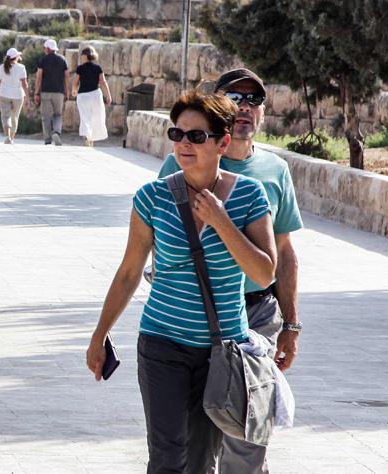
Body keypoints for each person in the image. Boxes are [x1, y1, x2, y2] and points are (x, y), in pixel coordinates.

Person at [86, 91, 276, 473]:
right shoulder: (152, 197)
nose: (184, 144)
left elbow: (264, 272)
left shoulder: (250, 196)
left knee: (202, 460)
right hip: (162, 344)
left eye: (196, 136)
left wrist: (222, 222)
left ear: (223, 142)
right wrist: (99, 334)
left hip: (221, 352)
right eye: (178, 134)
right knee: (167, 457)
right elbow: (128, 272)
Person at [157, 69, 304, 473]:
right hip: (196, 320)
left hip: (255, 317)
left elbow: (286, 255)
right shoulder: (179, 165)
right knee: (192, 441)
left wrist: (291, 324)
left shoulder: (275, 172)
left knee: (246, 435)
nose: (244, 107)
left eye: (254, 100)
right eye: (234, 98)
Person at [33, 38, 71, 146]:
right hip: (59, 92)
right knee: (58, 114)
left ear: (48, 49)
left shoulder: (43, 60)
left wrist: (36, 92)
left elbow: (39, 76)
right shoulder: (63, 59)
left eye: (45, 48)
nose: (45, 50)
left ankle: (47, 139)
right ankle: (57, 132)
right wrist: (67, 92)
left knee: (46, 116)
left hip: (45, 91)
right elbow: (67, 76)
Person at [73, 46, 111, 146]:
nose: (81, 56)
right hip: (95, 95)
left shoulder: (80, 68)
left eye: (82, 54)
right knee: (96, 117)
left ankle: (87, 135)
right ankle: (91, 138)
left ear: (85, 56)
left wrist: (74, 90)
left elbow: (76, 82)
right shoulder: (98, 68)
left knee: (85, 117)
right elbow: (103, 82)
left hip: (83, 96)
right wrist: (108, 95)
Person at [0, 47, 29, 144]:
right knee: (15, 116)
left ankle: (7, 136)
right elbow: (24, 84)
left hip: (3, 94)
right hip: (18, 95)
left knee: (5, 115)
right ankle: (12, 138)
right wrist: (27, 97)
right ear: (16, 57)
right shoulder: (21, 67)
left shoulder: (1, 67)